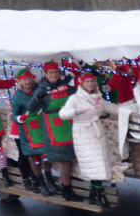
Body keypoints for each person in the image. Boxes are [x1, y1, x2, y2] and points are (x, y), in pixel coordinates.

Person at [60, 72, 121, 207]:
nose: (90, 84)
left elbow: (113, 108)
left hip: (97, 132)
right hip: (83, 133)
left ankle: (93, 193)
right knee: (96, 163)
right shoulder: (75, 98)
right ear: (82, 83)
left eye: (92, 81)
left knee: (97, 164)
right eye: (87, 81)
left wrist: (131, 109)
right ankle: (99, 194)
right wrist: (75, 112)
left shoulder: (98, 98)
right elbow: (62, 114)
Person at [28, 61, 80, 202]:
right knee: (65, 159)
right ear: (44, 74)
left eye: (56, 72)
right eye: (51, 72)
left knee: (70, 158)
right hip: (54, 128)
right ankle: (66, 189)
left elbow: (77, 93)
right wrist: (37, 98)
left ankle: (69, 187)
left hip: (67, 124)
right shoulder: (41, 89)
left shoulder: (62, 85)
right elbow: (31, 107)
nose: (54, 75)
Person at [10, 67, 52, 196]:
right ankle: (39, 182)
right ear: (20, 82)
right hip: (28, 130)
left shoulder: (39, 90)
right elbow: (14, 115)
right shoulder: (17, 97)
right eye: (24, 80)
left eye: (29, 79)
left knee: (45, 156)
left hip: (42, 127)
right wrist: (19, 118)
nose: (27, 82)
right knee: (34, 157)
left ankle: (49, 181)